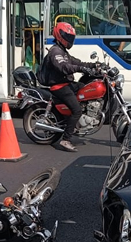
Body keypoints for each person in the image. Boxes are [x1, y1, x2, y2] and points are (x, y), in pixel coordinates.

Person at [39, 22, 100, 152]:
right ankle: (65, 140)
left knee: (86, 86)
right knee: (76, 110)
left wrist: (94, 65)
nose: (70, 40)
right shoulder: (56, 52)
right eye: (68, 36)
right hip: (58, 86)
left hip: (66, 83)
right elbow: (64, 67)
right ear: (60, 35)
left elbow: (77, 62)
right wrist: (80, 68)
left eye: (71, 37)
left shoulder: (63, 52)